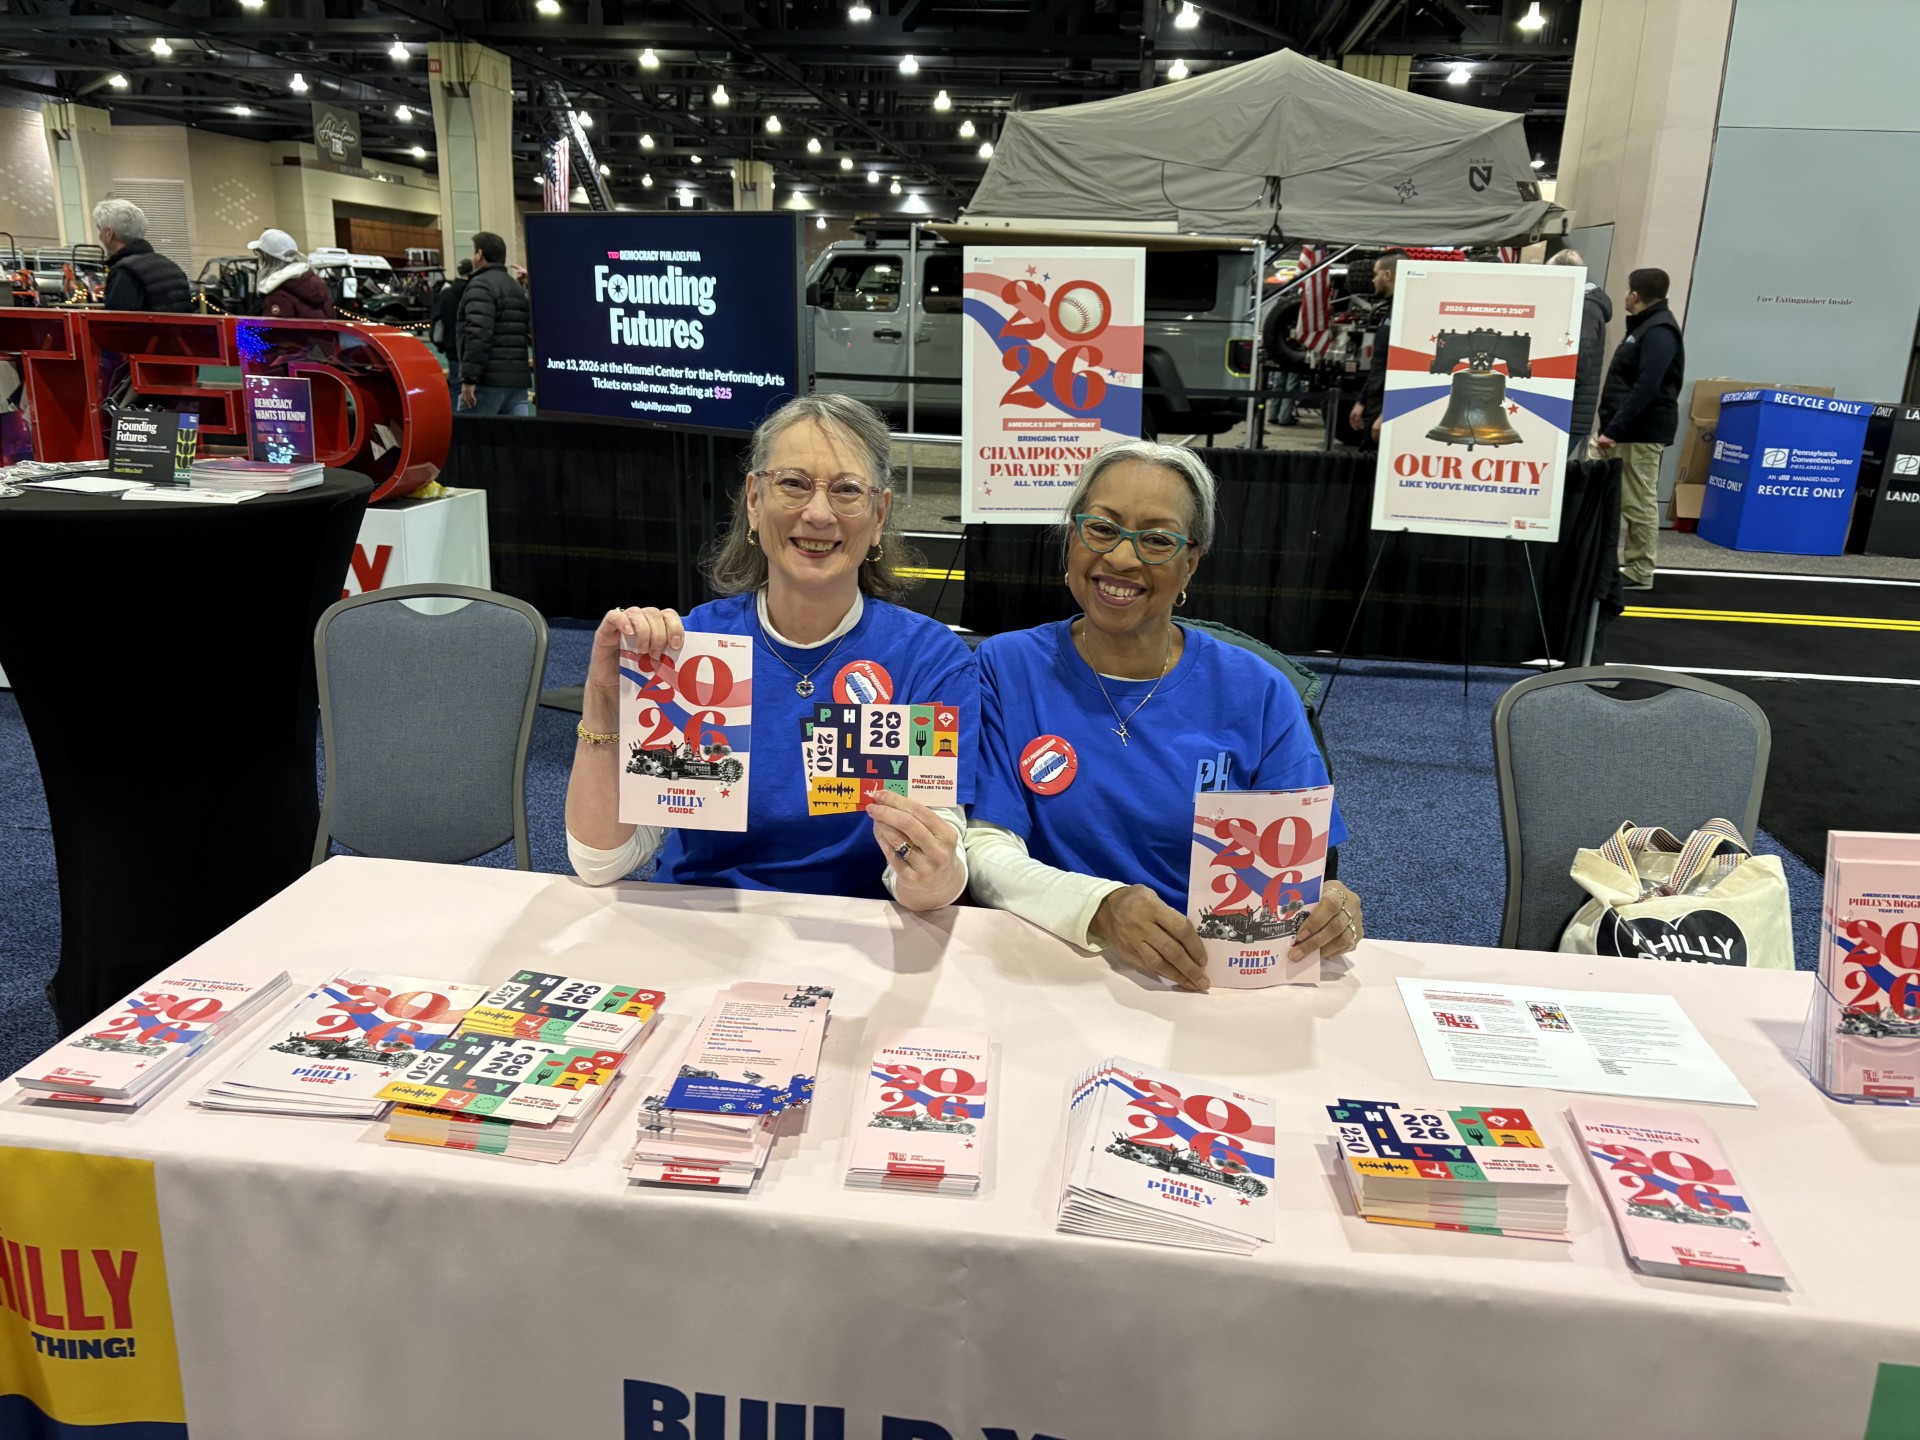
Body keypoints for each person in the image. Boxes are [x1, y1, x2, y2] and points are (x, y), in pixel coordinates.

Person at [965, 441, 1363, 993]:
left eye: (1156, 540)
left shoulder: (1259, 692)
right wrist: (1100, 908)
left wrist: (1331, 908)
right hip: (1051, 968)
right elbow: (986, 849)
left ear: (1190, 563)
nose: (1123, 559)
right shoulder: (1006, 668)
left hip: (1210, 982)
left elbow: (1303, 877)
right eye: (1102, 529)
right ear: (1071, 538)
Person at [565, 393, 977, 910]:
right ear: (754, 502)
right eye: (793, 484)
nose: (819, 513)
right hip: (702, 924)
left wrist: (933, 877)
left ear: (879, 514)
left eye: (847, 490)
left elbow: (930, 873)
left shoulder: (928, 660)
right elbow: (602, 863)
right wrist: (604, 698)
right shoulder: (690, 651)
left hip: (853, 932)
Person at [1596, 266, 1685, 592]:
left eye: (1627, 289)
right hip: (1623, 429)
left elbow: (1647, 387)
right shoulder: (1645, 327)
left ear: (1634, 295)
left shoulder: (1659, 331)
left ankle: (1640, 569)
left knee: (1637, 502)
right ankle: (1608, 560)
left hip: (1639, 432)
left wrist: (1614, 430)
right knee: (1610, 494)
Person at [456, 232, 532, 416]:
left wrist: (469, 378)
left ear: (479, 254)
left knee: (473, 441)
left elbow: (478, 334)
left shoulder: (480, 285)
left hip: (487, 381)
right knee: (514, 442)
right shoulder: (516, 287)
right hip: (517, 381)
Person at [1550, 249, 1611, 448]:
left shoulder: (1585, 309)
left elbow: (1579, 364)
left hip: (1569, 412)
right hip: (1570, 412)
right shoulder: (1584, 306)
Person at [93, 198, 190, 313]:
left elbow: (118, 324)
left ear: (109, 233)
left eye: (100, 230)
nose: (99, 236)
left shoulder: (125, 271)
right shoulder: (171, 266)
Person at [1350, 251, 1399, 445]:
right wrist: (1362, 401)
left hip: (1386, 409)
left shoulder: (1407, 312)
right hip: (1374, 402)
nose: (1372, 280)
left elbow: (1407, 370)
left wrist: (1388, 414)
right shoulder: (1388, 312)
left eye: (1375, 274)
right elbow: (1380, 363)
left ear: (1387, 275)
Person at [248, 229, 334, 320]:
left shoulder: (277, 294)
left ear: (267, 260)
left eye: (260, 257)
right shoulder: (318, 286)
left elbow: (276, 332)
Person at [433, 258, 472, 394]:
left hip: (453, 347)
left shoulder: (445, 294)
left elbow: (437, 321)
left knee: (456, 388)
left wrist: (441, 344)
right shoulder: (476, 292)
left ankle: (456, 415)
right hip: (474, 348)